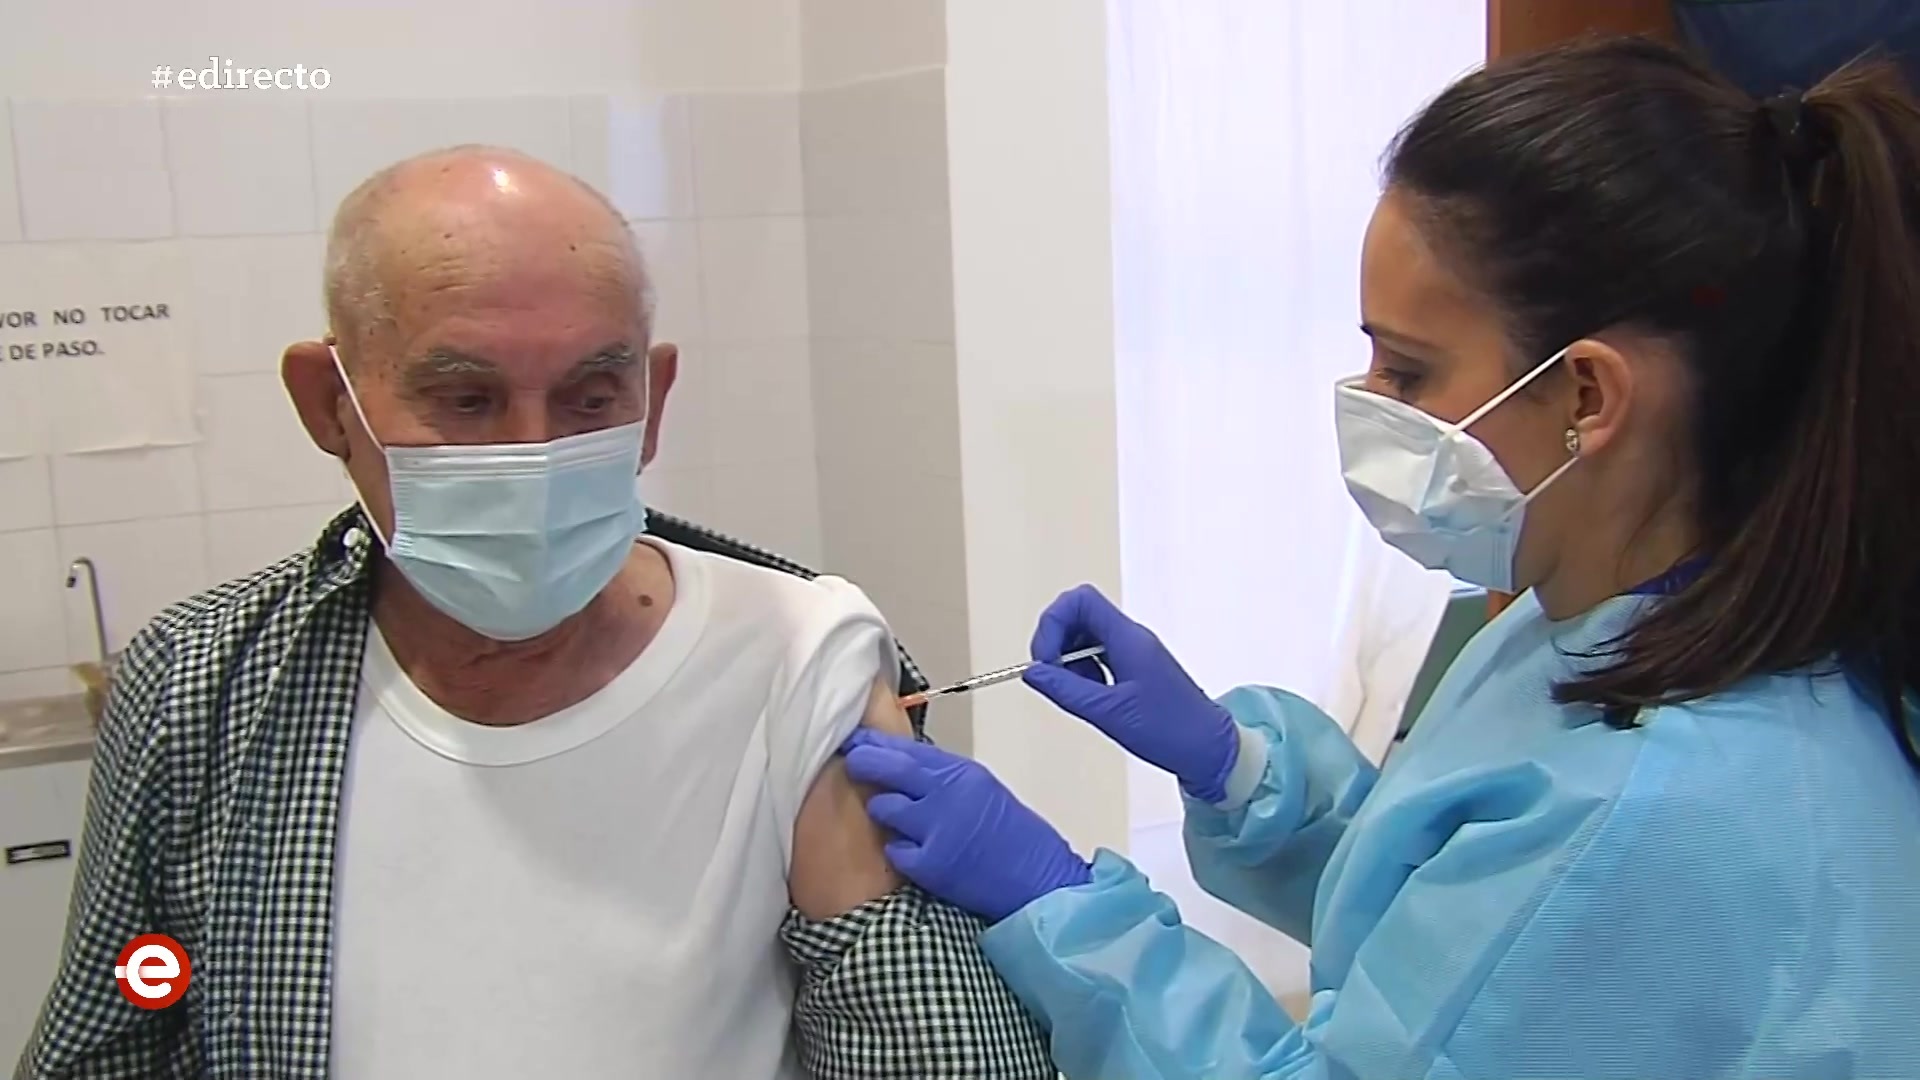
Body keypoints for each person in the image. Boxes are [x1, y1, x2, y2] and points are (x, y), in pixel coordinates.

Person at [844, 37, 1920, 1079]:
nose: (1369, 404)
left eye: (1408, 372)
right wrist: (1236, 768)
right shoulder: (1600, 619)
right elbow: (1449, 927)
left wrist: (1058, 904)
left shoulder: (1664, 801)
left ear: (1587, 396)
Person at [17, 147, 1053, 1080]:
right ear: (330, 403)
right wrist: (171, 976)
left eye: (591, 397)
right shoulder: (205, 684)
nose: (535, 453)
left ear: (653, 397)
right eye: (465, 400)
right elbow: (128, 1013)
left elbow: (926, 1048)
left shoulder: (799, 657)